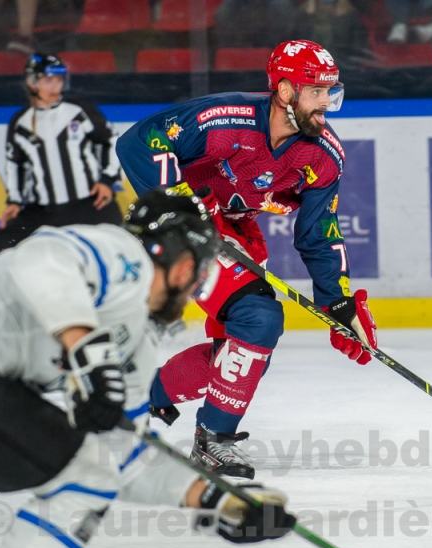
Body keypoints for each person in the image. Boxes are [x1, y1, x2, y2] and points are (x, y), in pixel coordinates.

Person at [0, 189, 296, 548]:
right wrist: (88, 351)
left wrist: (216, 498)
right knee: (86, 477)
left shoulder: (134, 342)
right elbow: (39, 260)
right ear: (184, 268)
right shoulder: (122, 253)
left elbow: (121, 454)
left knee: (94, 470)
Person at [116, 40, 379, 480]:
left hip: (234, 230)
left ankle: (140, 396)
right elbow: (139, 141)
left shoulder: (323, 154)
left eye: (331, 92)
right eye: (316, 92)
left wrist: (338, 300)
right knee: (258, 318)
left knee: (243, 350)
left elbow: (319, 232)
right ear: (285, 90)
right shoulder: (224, 119)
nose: (326, 104)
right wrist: (184, 209)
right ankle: (213, 439)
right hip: (180, 232)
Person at [0, 53, 122, 255]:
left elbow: (112, 140)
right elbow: (15, 164)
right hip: (43, 212)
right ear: (32, 82)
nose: (55, 87)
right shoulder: (20, 122)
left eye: (59, 80)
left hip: (88, 206)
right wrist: (14, 201)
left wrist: (107, 180)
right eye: (48, 81)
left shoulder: (78, 111)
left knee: (118, 245)